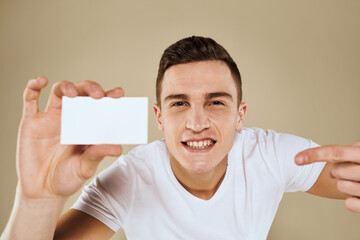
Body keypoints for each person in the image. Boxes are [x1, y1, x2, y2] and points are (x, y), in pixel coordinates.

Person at [1, 36, 359, 240]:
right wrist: (37, 199)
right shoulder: (131, 177)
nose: (197, 122)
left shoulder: (271, 154)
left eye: (215, 102)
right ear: (159, 117)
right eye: (179, 103)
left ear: (240, 115)